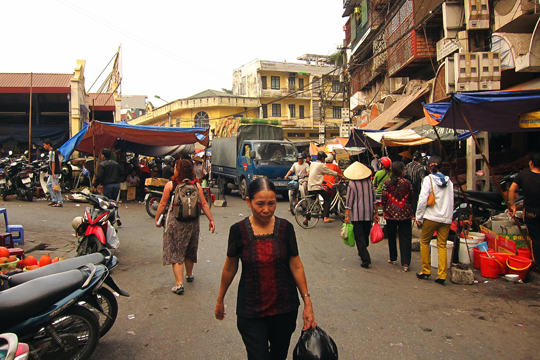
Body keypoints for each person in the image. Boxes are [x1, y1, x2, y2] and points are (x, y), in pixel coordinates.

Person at [214, 178, 316, 360]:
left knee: (279, 355)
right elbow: (230, 268)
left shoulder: (286, 228)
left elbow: (296, 265)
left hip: (284, 310)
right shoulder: (238, 231)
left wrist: (307, 302)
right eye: (260, 204)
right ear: (248, 201)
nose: (266, 209)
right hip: (251, 311)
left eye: (271, 203)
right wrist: (220, 298)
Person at [155, 159, 215, 295]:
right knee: (189, 248)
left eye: (176, 168)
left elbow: (162, 204)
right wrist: (211, 220)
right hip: (193, 223)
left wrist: (157, 218)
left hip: (175, 222)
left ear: (178, 170)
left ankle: (179, 284)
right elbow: (204, 204)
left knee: (176, 251)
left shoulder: (171, 185)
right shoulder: (197, 185)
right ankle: (189, 274)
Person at [415, 156, 454, 285]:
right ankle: (442, 275)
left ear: (429, 166)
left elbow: (422, 200)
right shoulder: (449, 182)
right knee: (442, 245)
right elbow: (452, 200)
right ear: (441, 166)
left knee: (424, 242)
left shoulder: (428, 179)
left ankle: (426, 270)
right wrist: (449, 217)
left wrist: (418, 217)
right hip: (446, 218)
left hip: (431, 216)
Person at [344, 161, 379, 268]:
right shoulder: (369, 183)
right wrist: (376, 212)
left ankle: (365, 258)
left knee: (359, 237)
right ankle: (363, 251)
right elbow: (374, 200)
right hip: (368, 214)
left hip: (357, 215)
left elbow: (349, 202)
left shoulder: (352, 184)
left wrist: (347, 215)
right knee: (365, 235)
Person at [381, 161, 414, 272]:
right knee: (405, 238)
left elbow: (384, 198)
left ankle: (393, 258)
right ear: (402, 171)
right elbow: (411, 198)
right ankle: (406, 263)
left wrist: (385, 209)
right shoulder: (407, 183)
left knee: (391, 236)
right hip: (405, 214)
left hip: (391, 214)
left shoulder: (387, 183)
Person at [509, 152, 540, 265]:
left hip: (531, 212)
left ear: (531, 163)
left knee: (535, 238)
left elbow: (512, 190)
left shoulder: (523, 175)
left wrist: (513, 206)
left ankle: (538, 264)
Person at [307, 151, 339, 224]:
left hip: (310, 186)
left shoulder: (313, 164)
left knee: (312, 203)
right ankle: (326, 217)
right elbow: (331, 172)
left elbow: (315, 174)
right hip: (317, 187)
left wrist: (322, 181)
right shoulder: (321, 165)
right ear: (322, 158)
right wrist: (340, 176)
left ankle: (306, 218)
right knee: (327, 199)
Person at [43, 139, 63, 207]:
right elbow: (59, 162)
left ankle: (59, 201)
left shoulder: (52, 152)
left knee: (56, 187)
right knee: (49, 185)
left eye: (45, 145)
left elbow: (53, 162)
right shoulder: (54, 152)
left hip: (54, 172)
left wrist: (53, 172)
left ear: (48, 145)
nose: (44, 146)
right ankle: (54, 199)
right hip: (53, 172)